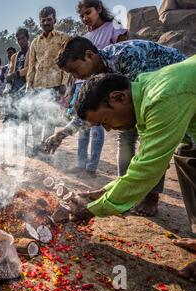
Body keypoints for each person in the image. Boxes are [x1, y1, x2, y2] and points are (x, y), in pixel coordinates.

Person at [69, 56, 196, 282]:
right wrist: (103, 191)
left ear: (118, 98)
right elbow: (142, 160)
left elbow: (148, 170)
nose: (108, 130)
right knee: (187, 157)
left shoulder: (161, 98)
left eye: (105, 121)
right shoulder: (145, 90)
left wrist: (92, 209)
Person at [46, 37, 187, 216]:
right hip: (162, 97)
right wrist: (62, 134)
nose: (76, 77)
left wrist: (95, 210)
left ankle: (150, 196)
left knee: (153, 146)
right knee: (127, 138)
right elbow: (92, 113)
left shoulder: (129, 56)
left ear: (89, 56)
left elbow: (151, 138)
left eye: (75, 70)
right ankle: (124, 192)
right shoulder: (96, 77)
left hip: (173, 91)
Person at [71, 0, 128, 177]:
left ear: (99, 9)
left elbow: (124, 54)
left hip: (104, 87)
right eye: (81, 16)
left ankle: (91, 167)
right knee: (83, 125)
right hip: (84, 86)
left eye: (88, 13)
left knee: (97, 127)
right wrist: (72, 89)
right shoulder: (86, 38)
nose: (84, 18)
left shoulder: (114, 27)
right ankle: (81, 164)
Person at [26, 6, 70, 154]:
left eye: (49, 20)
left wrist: (64, 84)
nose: (46, 23)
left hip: (55, 85)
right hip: (38, 85)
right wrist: (28, 87)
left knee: (50, 118)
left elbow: (66, 62)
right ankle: (36, 145)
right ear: (40, 22)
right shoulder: (35, 42)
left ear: (55, 20)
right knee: (36, 118)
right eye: (43, 20)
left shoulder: (63, 38)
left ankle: (47, 145)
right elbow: (32, 67)